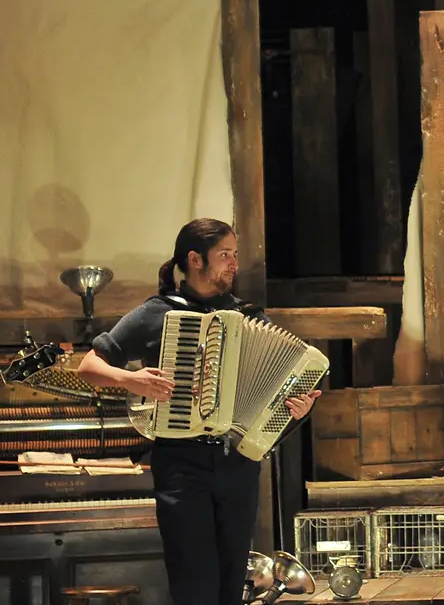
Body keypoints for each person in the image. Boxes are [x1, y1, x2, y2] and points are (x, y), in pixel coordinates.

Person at [76, 218, 321, 605]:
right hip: (181, 464)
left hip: (237, 465)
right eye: (224, 255)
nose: (233, 263)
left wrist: (298, 408)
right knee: (194, 583)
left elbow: (282, 391)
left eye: (235, 255)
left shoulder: (250, 317)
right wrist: (132, 380)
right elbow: (88, 367)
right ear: (195, 260)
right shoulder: (156, 313)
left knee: (230, 585)